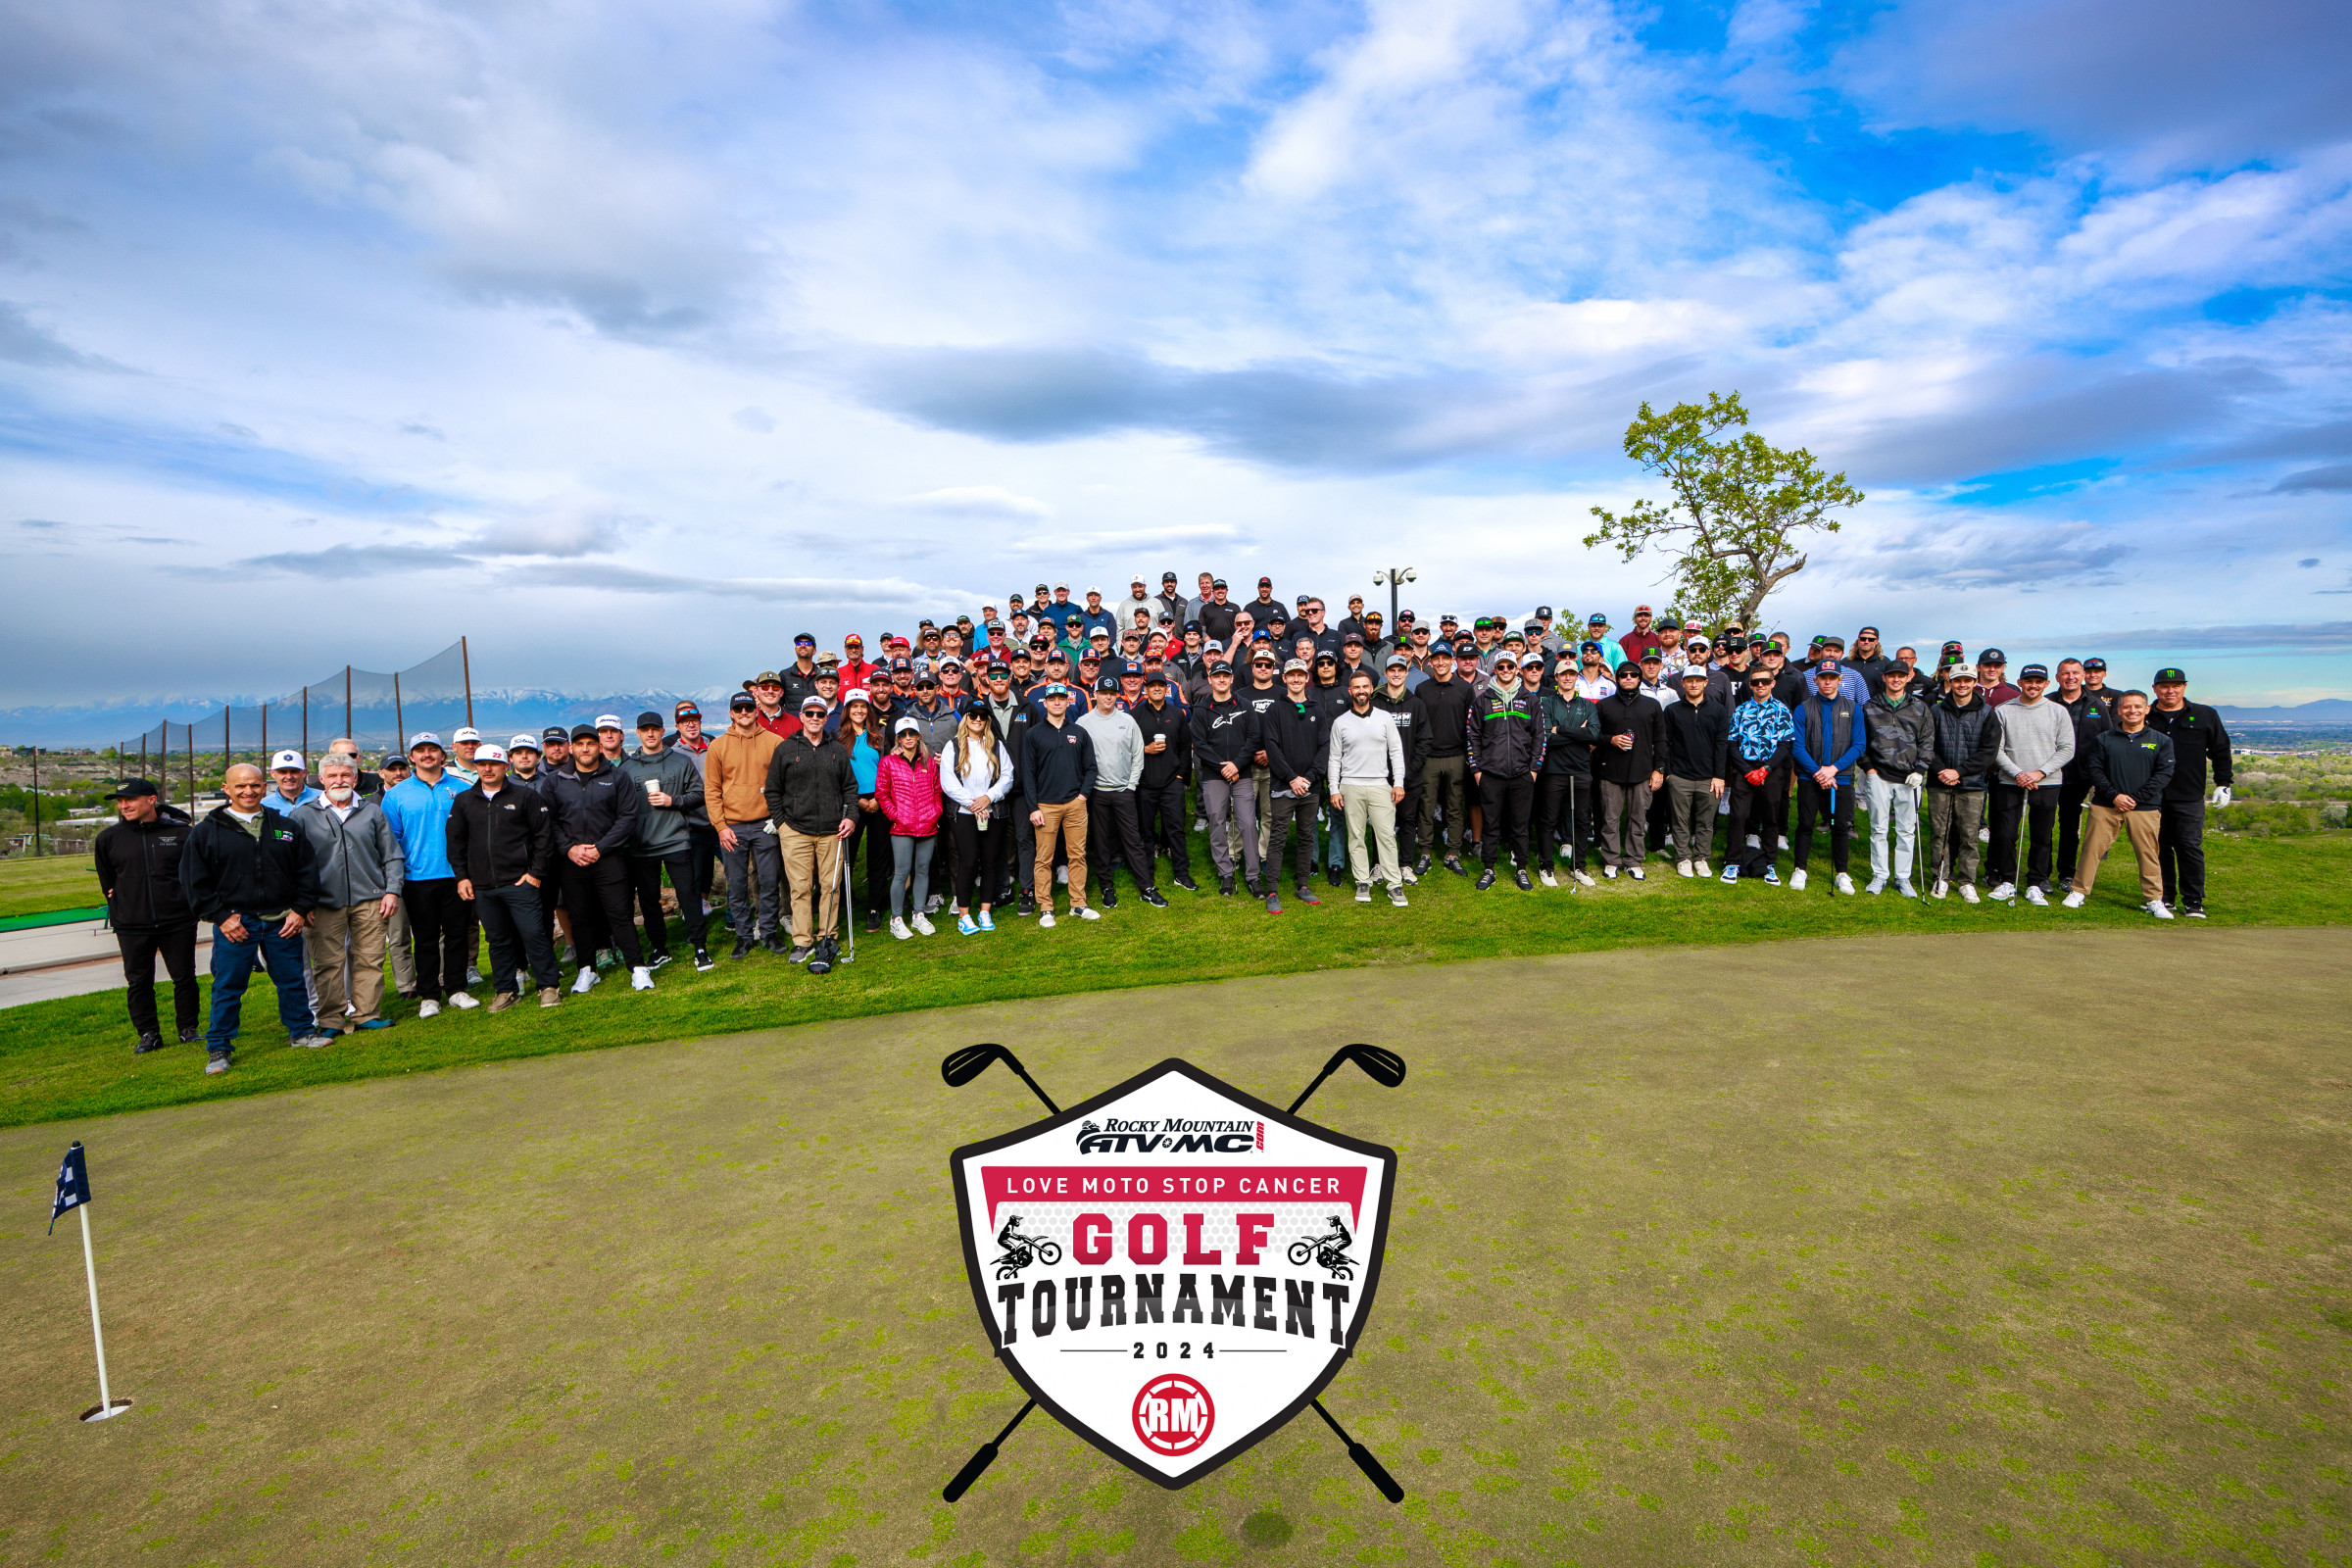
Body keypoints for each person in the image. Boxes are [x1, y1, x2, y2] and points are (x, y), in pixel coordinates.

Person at [180, 762, 328, 1072]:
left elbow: (307, 871)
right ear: (227, 789)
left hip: (282, 921)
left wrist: (300, 910)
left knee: (291, 981)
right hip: (237, 924)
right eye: (240, 786)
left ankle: (302, 1032)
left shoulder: (283, 825)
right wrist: (221, 917)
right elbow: (195, 882)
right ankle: (219, 1048)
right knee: (228, 986)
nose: (248, 791)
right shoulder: (207, 832)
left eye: (255, 785)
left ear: (265, 787)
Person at [288, 753, 404, 1035]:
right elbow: (291, 866)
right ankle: (330, 1020)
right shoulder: (302, 815)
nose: (339, 780)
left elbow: (391, 855)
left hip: (371, 900)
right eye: (332, 775)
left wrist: (392, 891)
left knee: (370, 959)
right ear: (321, 780)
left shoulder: (372, 812)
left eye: (345, 775)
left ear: (355, 778)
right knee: (328, 965)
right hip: (323, 904)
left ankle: (366, 1015)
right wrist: (303, 904)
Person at [446, 744, 563, 1009]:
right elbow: (455, 842)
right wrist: (462, 877)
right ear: (475, 767)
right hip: (483, 886)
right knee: (497, 940)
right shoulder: (464, 800)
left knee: (534, 934)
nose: (487, 769)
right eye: (482, 764)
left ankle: (548, 986)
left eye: (494, 764)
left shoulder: (525, 797)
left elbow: (544, 838)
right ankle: (506, 990)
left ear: (505, 766)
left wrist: (535, 874)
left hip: (520, 882)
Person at [92, 778, 200, 1054]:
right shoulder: (108, 838)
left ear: (151, 799)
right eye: (120, 801)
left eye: (130, 799)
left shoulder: (181, 833)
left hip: (177, 920)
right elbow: (109, 883)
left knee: (184, 977)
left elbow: (194, 874)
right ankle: (148, 1034)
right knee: (139, 982)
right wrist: (122, 904)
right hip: (131, 924)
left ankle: (188, 1029)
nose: (124, 805)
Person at [548, 724, 654, 995]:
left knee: (620, 914)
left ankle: (637, 968)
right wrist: (569, 849)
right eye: (580, 744)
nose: (585, 749)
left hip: (609, 858)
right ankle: (587, 970)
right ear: (571, 748)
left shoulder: (617, 777)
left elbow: (627, 817)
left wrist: (601, 847)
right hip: (572, 862)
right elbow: (549, 822)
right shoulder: (555, 781)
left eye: (590, 743)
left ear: (599, 746)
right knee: (581, 917)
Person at [764, 694, 861, 970]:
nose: (815, 719)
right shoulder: (785, 749)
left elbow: (850, 790)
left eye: (820, 714)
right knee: (800, 888)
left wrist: (851, 817)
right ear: (802, 717)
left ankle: (827, 937)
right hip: (795, 829)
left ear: (825, 718)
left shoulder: (837, 750)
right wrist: (781, 823)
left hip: (832, 830)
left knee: (831, 887)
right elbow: (772, 790)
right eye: (810, 714)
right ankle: (802, 940)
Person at [378, 733, 472, 1015]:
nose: (427, 755)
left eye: (433, 749)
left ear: (443, 755)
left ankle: (456, 989)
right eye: (421, 751)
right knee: (425, 938)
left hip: (456, 875)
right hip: (416, 878)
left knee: (457, 936)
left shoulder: (463, 788)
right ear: (412, 757)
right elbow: (390, 840)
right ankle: (429, 995)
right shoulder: (396, 795)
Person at [2063, 691, 2176, 917]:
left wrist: (2136, 798)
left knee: (2148, 853)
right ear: (2119, 710)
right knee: (2091, 850)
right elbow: (2095, 770)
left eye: (2137, 707)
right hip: (2106, 805)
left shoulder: (2161, 740)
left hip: (2145, 807)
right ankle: (2078, 891)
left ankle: (2154, 899)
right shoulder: (2104, 739)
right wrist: (2115, 795)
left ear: (2146, 709)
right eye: (2127, 707)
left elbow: (2164, 773)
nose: (2132, 711)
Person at [617, 711, 712, 971]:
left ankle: (700, 947)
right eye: (645, 730)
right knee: (649, 900)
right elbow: (620, 807)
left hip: (676, 839)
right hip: (642, 845)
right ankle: (660, 948)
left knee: (688, 895)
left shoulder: (680, 762)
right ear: (638, 733)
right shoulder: (627, 768)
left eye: (654, 729)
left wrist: (674, 801)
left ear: (662, 731)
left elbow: (698, 794)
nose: (650, 734)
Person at [2146, 667, 2232, 919]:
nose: (2170, 690)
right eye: (2164, 686)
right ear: (2155, 689)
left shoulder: (2205, 714)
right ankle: (2165, 897)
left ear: (2184, 687)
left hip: (2189, 794)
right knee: (2157, 847)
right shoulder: (2146, 715)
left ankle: (2194, 900)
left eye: (2176, 685)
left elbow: (2220, 750)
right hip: (2152, 794)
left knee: (2188, 846)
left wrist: (2223, 783)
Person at [1985, 662, 2074, 904]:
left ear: (2046, 684)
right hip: (2009, 782)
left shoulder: (2058, 711)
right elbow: (1996, 748)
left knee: (2041, 835)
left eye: (2038, 681)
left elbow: (2067, 748)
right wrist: (2018, 774)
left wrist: (2039, 773)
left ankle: (2035, 882)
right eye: (2028, 681)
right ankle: (2006, 880)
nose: (2033, 685)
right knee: (2004, 834)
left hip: (2046, 782)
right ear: (2020, 682)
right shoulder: (2003, 710)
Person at [708, 693, 788, 956]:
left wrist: (778, 819)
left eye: (748, 708)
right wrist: (720, 826)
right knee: (738, 884)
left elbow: (785, 785)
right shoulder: (718, 746)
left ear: (757, 711)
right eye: (738, 708)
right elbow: (712, 790)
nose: (744, 712)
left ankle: (768, 932)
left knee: (768, 881)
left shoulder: (774, 742)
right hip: (733, 826)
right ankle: (743, 936)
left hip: (765, 824)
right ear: (731, 713)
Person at [1078, 675, 1165, 908]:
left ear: (1118, 695)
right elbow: (1078, 758)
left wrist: (1131, 785)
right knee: (1101, 842)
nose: (1108, 696)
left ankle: (1147, 888)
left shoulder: (1127, 720)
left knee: (1133, 841)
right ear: (1094, 694)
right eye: (1103, 693)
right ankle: (1107, 886)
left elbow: (1138, 754)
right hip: (1097, 792)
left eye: (1112, 693)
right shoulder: (1083, 723)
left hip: (1124, 791)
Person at [1328, 668, 1410, 905]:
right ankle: (1362, 881)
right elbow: (1334, 758)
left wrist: (1398, 783)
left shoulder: (1384, 718)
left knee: (1385, 836)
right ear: (1350, 690)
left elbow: (1396, 752)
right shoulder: (1340, 722)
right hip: (1350, 786)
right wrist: (1334, 788)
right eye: (1357, 687)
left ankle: (1394, 884)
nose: (1361, 691)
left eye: (1365, 686)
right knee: (1356, 837)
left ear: (1371, 689)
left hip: (1379, 785)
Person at [1022, 683, 1100, 926]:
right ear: (1044, 703)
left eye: (1061, 699)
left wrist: (1083, 796)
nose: (1057, 702)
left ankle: (1078, 904)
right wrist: (1033, 807)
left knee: (1078, 855)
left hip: (1075, 804)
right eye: (1052, 699)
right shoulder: (1033, 734)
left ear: (1068, 702)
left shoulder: (1079, 732)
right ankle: (1046, 908)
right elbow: (1028, 774)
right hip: (1046, 806)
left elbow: (1091, 768)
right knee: (1044, 858)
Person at [1467, 648, 1543, 890]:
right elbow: (1472, 737)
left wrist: (1533, 769)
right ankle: (1489, 869)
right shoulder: (1482, 701)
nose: (1506, 671)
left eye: (1510, 666)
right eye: (1501, 667)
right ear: (1495, 671)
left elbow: (1539, 737)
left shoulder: (1530, 700)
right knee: (1491, 825)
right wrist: (1477, 770)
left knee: (1520, 826)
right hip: (1490, 775)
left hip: (1522, 774)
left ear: (1517, 669)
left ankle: (1521, 868)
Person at [1789, 660, 1867, 894]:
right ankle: (1800, 869)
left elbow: (1859, 744)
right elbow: (1797, 746)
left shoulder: (1853, 708)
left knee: (1841, 826)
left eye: (1832, 677)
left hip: (1840, 777)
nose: (1827, 681)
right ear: (1815, 680)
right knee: (1805, 824)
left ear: (1840, 680)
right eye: (1823, 677)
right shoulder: (1803, 708)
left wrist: (1832, 769)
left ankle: (1842, 873)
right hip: (1809, 777)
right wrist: (1818, 771)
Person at [1261, 659, 1331, 910]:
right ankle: (1272, 891)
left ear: (1306, 678)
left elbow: (1324, 747)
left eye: (1300, 675)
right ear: (1285, 678)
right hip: (1283, 785)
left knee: (1306, 836)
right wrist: (1291, 778)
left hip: (1310, 787)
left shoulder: (1317, 709)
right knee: (1278, 838)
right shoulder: (1274, 710)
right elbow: (1272, 747)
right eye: (1292, 675)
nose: (1296, 679)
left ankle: (1303, 885)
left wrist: (1309, 778)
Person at [1924, 667, 1999, 902]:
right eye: (1958, 680)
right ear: (1950, 680)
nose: (1962, 685)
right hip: (1940, 783)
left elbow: (1989, 752)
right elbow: (1927, 746)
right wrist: (1942, 771)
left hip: (1972, 784)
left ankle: (1967, 881)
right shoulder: (1935, 710)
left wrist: (1959, 771)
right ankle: (1941, 877)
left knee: (1969, 835)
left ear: (1974, 682)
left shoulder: (1987, 713)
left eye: (1967, 680)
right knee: (1940, 834)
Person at [1858, 661, 1933, 896]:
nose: (1896, 680)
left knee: (1906, 830)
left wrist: (1920, 770)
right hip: (1879, 775)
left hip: (1909, 777)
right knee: (1878, 829)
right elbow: (1861, 740)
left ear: (1908, 677)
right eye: (1892, 676)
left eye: (1901, 676)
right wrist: (1868, 768)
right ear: (1885, 679)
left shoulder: (1919, 707)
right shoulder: (1870, 706)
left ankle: (1903, 878)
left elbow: (1928, 741)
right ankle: (1879, 875)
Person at [940, 705, 1015, 934]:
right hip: (964, 814)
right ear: (966, 718)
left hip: (992, 812)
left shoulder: (996, 745)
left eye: (983, 717)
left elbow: (1008, 776)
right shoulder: (952, 746)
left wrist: (988, 798)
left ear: (987, 721)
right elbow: (948, 782)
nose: (978, 720)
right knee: (969, 862)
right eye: (973, 715)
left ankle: (984, 911)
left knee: (991, 862)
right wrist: (974, 804)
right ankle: (964, 915)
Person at [1190, 662, 1261, 898]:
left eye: (1225, 676)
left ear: (1231, 679)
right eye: (1216, 676)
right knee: (1217, 822)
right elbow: (1199, 745)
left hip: (1242, 772)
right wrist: (1223, 767)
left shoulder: (1245, 706)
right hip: (1214, 774)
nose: (1221, 680)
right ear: (1210, 679)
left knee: (1248, 823)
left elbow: (1254, 738)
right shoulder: (1201, 709)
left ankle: (1253, 876)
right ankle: (1226, 874)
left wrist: (1236, 764)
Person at [1594, 662, 1666, 881]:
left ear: (1639, 677)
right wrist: (1611, 739)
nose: (1628, 678)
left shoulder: (1652, 705)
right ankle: (1611, 860)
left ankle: (1634, 860)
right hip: (1611, 771)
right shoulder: (1604, 705)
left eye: (1633, 675)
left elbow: (1661, 739)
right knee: (1610, 819)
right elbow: (1593, 736)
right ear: (1616, 678)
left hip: (1642, 771)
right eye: (1623, 675)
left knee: (1638, 818)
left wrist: (1659, 769)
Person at [1724, 668, 1794, 883]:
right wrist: (1747, 771)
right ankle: (1732, 863)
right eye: (1756, 682)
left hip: (1771, 770)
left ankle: (1769, 862)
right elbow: (1732, 743)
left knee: (1771, 818)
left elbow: (1785, 744)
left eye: (1765, 681)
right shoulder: (1741, 710)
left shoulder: (1782, 710)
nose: (1760, 685)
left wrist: (1766, 769)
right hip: (1745, 768)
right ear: (1750, 686)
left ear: (1773, 683)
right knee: (1738, 816)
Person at [1536, 657, 1601, 888]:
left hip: (1581, 770)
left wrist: (1561, 728)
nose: (1567, 677)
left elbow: (1593, 735)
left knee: (1582, 820)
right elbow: (1546, 737)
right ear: (1556, 678)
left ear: (1576, 677)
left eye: (1572, 674)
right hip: (1553, 770)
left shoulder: (1587, 706)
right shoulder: (1546, 703)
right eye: (1563, 674)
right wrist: (1576, 733)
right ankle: (1546, 866)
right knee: (1548, 819)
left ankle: (1578, 866)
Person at [1657, 664, 1727, 878]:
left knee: (1706, 822)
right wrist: (1668, 774)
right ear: (1683, 684)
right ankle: (1683, 858)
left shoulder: (1718, 711)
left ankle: (1701, 858)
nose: (1694, 684)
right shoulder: (1672, 711)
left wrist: (1719, 775)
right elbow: (1665, 743)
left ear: (1706, 682)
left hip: (1709, 778)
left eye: (1698, 680)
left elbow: (1722, 744)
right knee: (1679, 821)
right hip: (1680, 777)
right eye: (1690, 680)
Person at [877, 716, 944, 939]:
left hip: (927, 824)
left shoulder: (928, 762)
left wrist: (936, 812)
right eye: (903, 735)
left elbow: (937, 791)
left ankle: (918, 915)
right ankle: (896, 919)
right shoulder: (888, 762)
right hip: (902, 826)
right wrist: (896, 816)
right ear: (897, 738)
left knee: (923, 871)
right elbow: (882, 794)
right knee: (901, 872)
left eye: (911, 734)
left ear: (918, 736)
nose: (908, 738)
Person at [2051, 659, 2116, 885]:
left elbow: (2106, 740)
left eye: (2075, 673)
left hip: (2080, 775)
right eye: (2065, 673)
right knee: (2045, 825)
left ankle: (2067, 874)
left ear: (2082, 676)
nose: (2070, 677)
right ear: (2058, 677)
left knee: (2069, 825)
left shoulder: (2096, 705)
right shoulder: (2048, 701)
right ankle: (2039, 875)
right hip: (2050, 772)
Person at [1415, 643, 1475, 874]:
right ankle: (1425, 853)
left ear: (1452, 660)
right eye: (1436, 658)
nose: (1440, 663)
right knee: (1426, 806)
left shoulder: (1464, 688)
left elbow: (1471, 726)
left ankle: (1453, 853)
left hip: (1456, 756)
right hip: (1429, 757)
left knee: (1455, 807)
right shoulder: (1423, 689)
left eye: (1445, 658)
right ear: (1430, 661)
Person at [1132, 669, 1194, 893]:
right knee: (1145, 832)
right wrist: (1144, 749)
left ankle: (1182, 874)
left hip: (1171, 783)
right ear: (1145, 689)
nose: (1157, 688)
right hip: (1145, 783)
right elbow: (1128, 750)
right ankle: (1147, 877)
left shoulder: (1177, 714)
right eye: (1152, 685)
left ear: (1167, 689)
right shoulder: (1135, 715)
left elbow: (1186, 747)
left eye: (1161, 685)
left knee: (1176, 830)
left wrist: (1181, 776)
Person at [1370, 656, 1429, 883]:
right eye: (1392, 670)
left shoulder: (1416, 704)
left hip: (1409, 777)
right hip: (1380, 777)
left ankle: (1405, 865)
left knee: (1407, 821)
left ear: (1406, 673)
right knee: (1379, 822)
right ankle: (1378, 864)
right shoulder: (1375, 703)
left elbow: (1424, 741)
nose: (1396, 674)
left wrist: (1407, 773)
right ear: (1385, 674)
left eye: (1400, 670)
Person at [263, 750, 320, 815]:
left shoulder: (322, 799)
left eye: (294, 771)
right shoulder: (264, 806)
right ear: (272, 773)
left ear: (304, 772)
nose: (289, 777)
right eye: (283, 772)